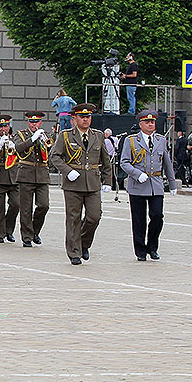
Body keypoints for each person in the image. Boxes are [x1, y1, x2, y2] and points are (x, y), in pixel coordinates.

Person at [49, 103, 113, 265]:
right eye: (82, 117)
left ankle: (83, 244)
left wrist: (108, 180)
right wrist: (67, 170)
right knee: (73, 219)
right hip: (73, 183)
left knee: (94, 216)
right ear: (74, 119)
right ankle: (74, 253)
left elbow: (106, 160)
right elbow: (55, 156)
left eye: (88, 117)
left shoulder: (97, 136)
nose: (86, 120)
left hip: (93, 182)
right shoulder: (65, 136)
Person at [119, 110, 178, 261]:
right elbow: (124, 162)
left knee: (157, 216)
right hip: (138, 185)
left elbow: (166, 161)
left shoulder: (160, 140)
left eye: (152, 122)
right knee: (139, 220)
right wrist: (137, 174)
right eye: (147, 122)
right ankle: (140, 250)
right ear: (140, 124)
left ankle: (153, 247)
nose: (150, 124)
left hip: (156, 185)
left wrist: (172, 183)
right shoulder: (131, 141)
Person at [13, 111, 53, 248]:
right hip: (26, 175)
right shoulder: (21, 134)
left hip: (42, 175)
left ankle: (35, 231)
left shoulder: (46, 135)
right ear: (28, 122)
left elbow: (52, 152)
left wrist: (43, 140)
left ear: (41, 123)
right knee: (26, 209)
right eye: (31, 122)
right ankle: (27, 237)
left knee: (44, 205)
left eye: (36, 122)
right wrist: (32, 139)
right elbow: (17, 148)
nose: (34, 124)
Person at [0, 114, 19, 243]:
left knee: (16, 204)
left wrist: (15, 147)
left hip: (14, 177)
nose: (3, 129)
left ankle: (9, 230)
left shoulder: (16, 139)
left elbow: (22, 153)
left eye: (6, 126)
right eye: (0, 126)